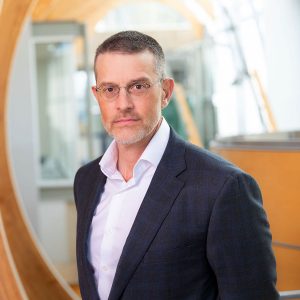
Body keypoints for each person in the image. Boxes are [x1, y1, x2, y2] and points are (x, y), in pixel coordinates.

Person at [73, 30, 278, 300]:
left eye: (138, 86)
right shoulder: (87, 180)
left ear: (166, 91)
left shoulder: (223, 188)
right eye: (110, 89)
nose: (123, 104)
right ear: (97, 95)